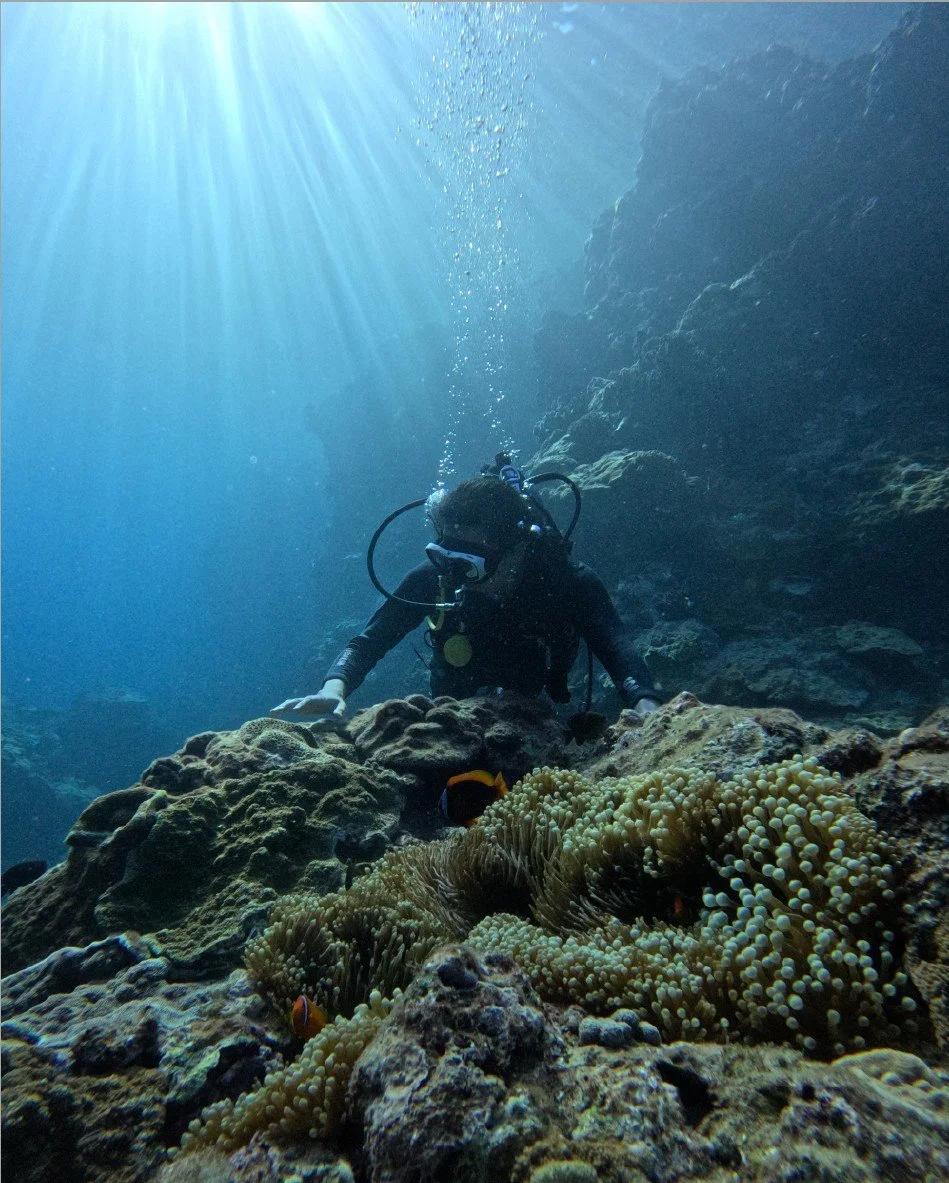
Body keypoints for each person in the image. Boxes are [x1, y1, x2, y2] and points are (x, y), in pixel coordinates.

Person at [271, 467, 661, 723]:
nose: (455, 575)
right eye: (445, 556)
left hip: (535, 693)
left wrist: (647, 705)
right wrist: (332, 689)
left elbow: (617, 648)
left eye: (470, 563)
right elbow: (370, 640)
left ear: (516, 551)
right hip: (455, 702)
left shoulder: (569, 583)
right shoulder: (436, 577)